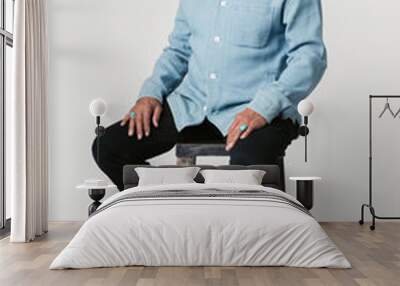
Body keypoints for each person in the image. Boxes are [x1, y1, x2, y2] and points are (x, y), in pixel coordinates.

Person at [92, 0, 327, 191]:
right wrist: (150, 94)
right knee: (108, 148)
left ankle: (240, 240)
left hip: (260, 109)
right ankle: (172, 213)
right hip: (194, 104)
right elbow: (178, 51)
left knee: (245, 178)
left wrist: (264, 107)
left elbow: (310, 57)